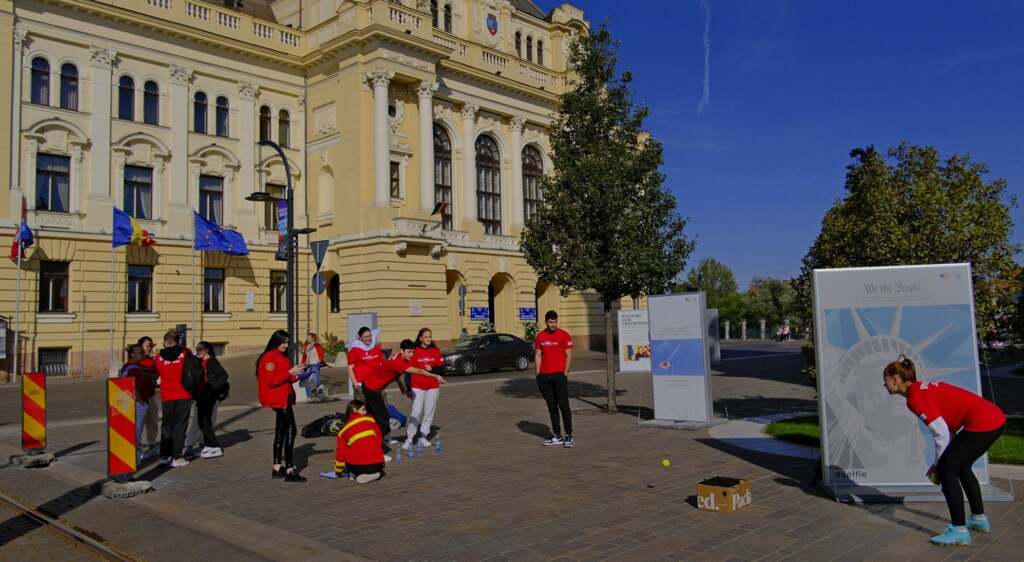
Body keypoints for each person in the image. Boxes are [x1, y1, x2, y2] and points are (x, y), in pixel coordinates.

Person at [883, 355, 1006, 546]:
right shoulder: (920, 390)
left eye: (885, 380)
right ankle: (978, 519)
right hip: (994, 419)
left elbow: (940, 433)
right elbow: (948, 428)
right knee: (961, 466)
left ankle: (959, 531)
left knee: (947, 471)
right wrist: (940, 462)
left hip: (984, 423)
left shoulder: (915, 398)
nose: (884, 385)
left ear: (895, 379)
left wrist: (939, 466)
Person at [362, 339, 441, 459]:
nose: (411, 355)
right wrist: (435, 376)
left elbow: (393, 372)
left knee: (373, 418)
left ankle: (370, 442)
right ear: (402, 350)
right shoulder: (398, 362)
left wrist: (401, 385)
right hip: (371, 389)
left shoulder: (398, 357)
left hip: (370, 386)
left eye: (413, 352)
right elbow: (418, 371)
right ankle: (377, 452)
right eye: (409, 352)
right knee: (383, 421)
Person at [257, 330, 306, 483]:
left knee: (281, 430)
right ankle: (290, 469)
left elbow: (287, 377)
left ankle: (277, 467)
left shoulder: (282, 356)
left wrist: (298, 373)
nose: (286, 345)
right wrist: (290, 372)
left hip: (285, 396)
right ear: (276, 341)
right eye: (283, 342)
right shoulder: (269, 357)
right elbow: (272, 381)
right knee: (291, 429)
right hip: (278, 399)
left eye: (287, 342)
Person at [155, 330, 195, 467]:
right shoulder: (185, 353)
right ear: (178, 341)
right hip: (184, 394)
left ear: (165, 342)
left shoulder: (158, 357)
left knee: (167, 426)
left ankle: (164, 456)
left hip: (167, 395)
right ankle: (176, 457)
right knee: (180, 426)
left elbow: (156, 374)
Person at [321, 400, 385, 484]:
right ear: (354, 410)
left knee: (346, 449)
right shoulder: (371, 419)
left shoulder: (342, 431)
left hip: (359, 466)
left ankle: (356, 474)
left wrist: (338, 471)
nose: (365, 412)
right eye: (363, 409)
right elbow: (379, 439)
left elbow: (341, 453)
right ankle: (376, 473)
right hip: (379, 464)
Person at [535, 310, 574, 448]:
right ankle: (557, 435)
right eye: (551, 322)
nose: (553, 325)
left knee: (564, 406)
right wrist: (538, 374)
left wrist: (565, 373)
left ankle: (568, 435)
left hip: (559, 376)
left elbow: (569, 355)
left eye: (555, 322)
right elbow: (538, 355)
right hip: (544, 377)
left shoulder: (564, 335)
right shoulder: (540, 336)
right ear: (546, 322)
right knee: (552, 407)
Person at [405, 328, 444, 450]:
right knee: (416, 412)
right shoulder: (415, 350)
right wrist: (408, 388)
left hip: (433, 387)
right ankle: (409, 438)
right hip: (417, 387)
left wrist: (432, 368)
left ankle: (423, 436)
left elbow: (442, 368)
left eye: (430, 336)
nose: (428, 339)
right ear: (420, 338)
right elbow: (408, 370)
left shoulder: (435, 350)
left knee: (429, 412)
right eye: (426, 337)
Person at [119, 344, 158, 462]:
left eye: (143, 352)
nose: (143, 354)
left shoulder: (129, 367)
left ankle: (136, 453)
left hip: (133, 402)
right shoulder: (133, 369)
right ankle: (136, 456)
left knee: (135, 431)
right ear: (132, 354)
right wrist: (142, 402)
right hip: (137, 403)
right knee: (136, 431)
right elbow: (134, 387)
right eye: (140, 352)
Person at [189, 341, 228, 459]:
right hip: (200, 395)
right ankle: (208, 445)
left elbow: (223, 375)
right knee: (202, 422)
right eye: (197, 349)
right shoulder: (200, 361)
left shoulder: (211, 361)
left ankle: (214, 446)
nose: (198, 351)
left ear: (207, 350)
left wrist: (213, 388)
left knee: (205, 422)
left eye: (200, 349)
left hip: (208, 395)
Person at [138, 336, 160, 456]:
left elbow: (156, 374)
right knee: (139, 424)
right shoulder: (136, 360)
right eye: (148, 346)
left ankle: (152, 444)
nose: (150, 348)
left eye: (151, 346)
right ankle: (137, 447)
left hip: (150, 394)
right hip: (139, 397)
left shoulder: (152, 360)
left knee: (153, 420)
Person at [347, 327, 382, 400]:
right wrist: (355, 384)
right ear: (360, 338)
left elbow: (381, 364)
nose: (368, 338)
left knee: (378, 405)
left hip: (375, 383)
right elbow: (350, 368)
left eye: (370, 336)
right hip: (361, 384)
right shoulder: (355, 349)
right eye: (365, 337)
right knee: (362, 405)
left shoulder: (376, 348)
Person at [301, 333, 325, 402]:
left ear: (313, 338)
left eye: (309, 337)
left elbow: (322, 354)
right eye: (307, 337)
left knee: (315, 380)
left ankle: (317, 393)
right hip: (308, 365)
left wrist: (319, 360)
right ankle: (309, 396)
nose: (308, 339)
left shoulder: (317, 345)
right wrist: (303, 363)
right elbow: (305, 355)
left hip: (315, 364)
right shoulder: (307, 346)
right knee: (307, 381)